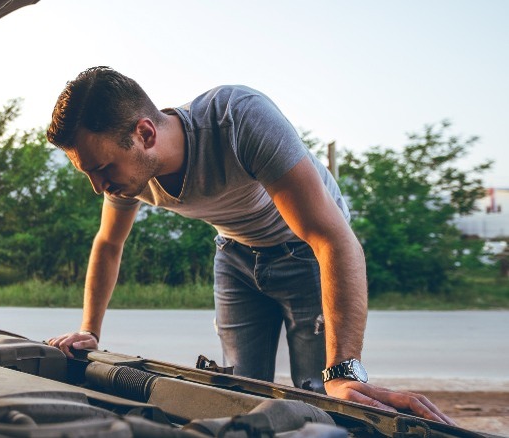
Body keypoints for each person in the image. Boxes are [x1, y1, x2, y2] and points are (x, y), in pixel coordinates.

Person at [46, 66, 454, 425]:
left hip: (307, 252)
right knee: (241, 395)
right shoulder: (126, 174)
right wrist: (89, 331)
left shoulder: (239, 118)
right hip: (235, 256)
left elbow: (332, 238)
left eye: (101, 169)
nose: (98, 186)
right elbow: (108, 244)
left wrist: (344, 370)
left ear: (145, 133)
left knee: (322, 394)